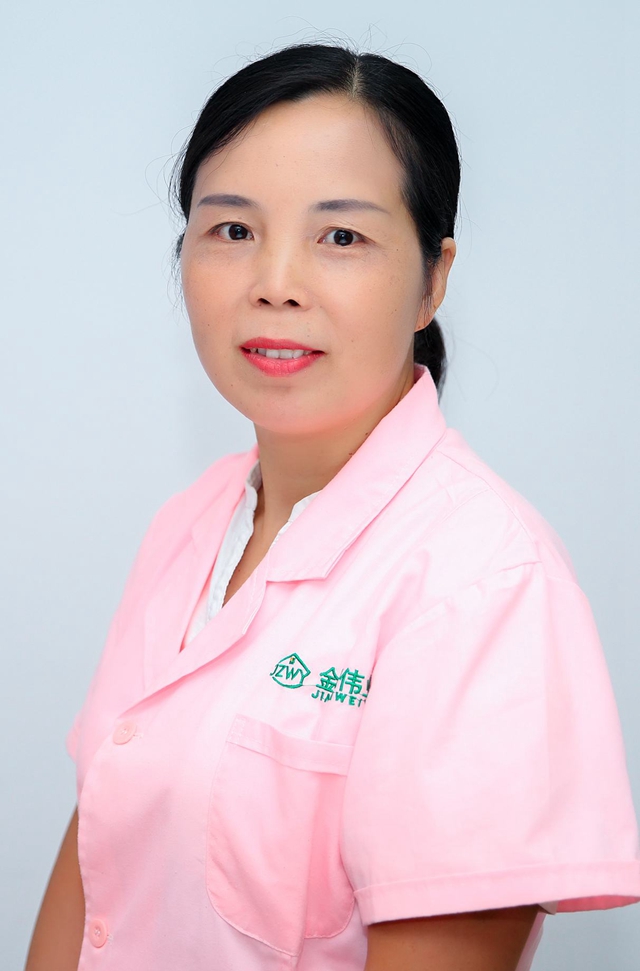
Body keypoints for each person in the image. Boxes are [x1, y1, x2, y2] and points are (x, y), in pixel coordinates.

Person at [25, 41, 640, 971]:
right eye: (233, 229)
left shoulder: (481, 582)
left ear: (433, 279)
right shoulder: (189, 524)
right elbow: (101, 845)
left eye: (341, 237)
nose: (275, 282)